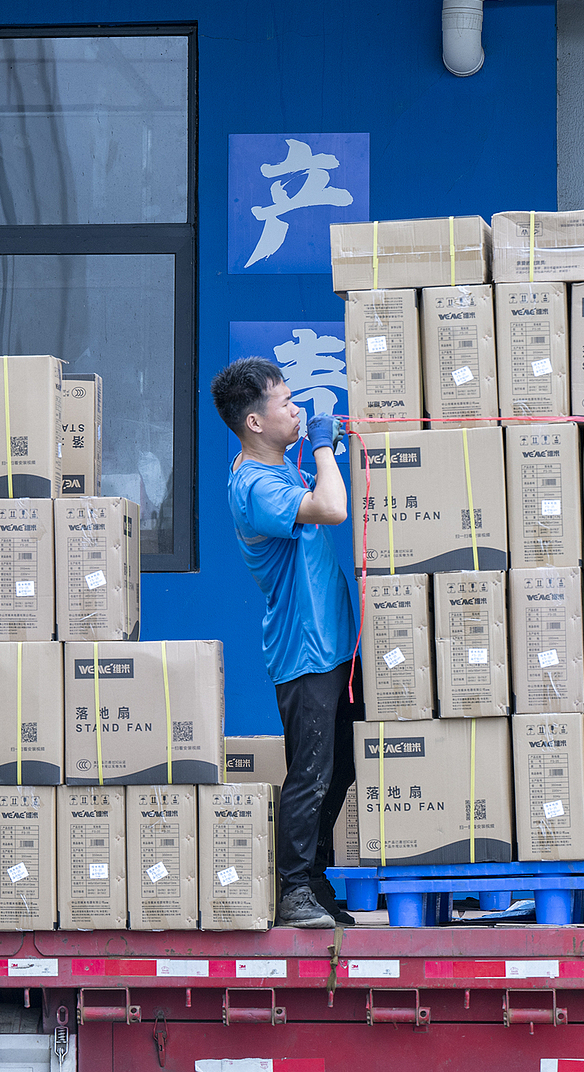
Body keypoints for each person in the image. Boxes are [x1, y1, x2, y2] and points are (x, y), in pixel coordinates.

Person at [213, 357, 362, 929]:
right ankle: (293, 888)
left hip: (333, 645)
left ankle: (316, 878)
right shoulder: (253, 484)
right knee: (311, 769)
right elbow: (333, 508)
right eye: (286, 403)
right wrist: (324, 447)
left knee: (341, 765)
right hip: (304, 648)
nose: (297, 410)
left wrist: (320, 450)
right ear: (255, 422)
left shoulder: (279, 474)